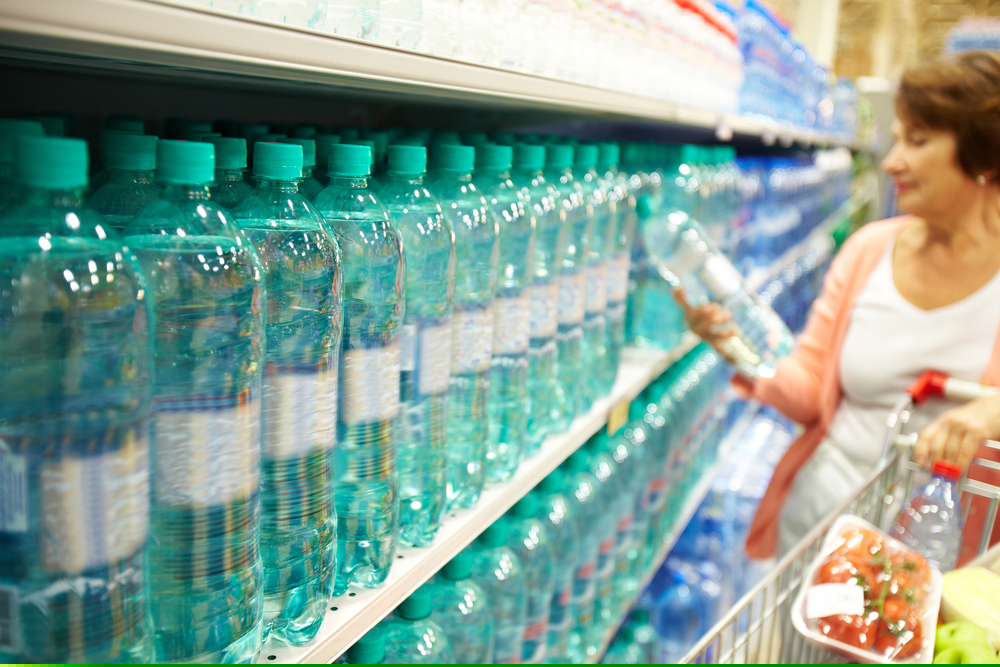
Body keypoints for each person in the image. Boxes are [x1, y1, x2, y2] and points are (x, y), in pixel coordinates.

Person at [678, 50, 1000, 561]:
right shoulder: (869, 250)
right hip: (824, 528)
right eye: (895, 140)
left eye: (917, 141)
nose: (892, 162)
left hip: (941, 556)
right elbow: (811, 388)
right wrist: (736, 344)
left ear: (984, 156)